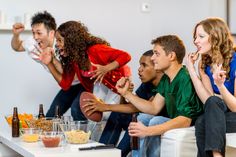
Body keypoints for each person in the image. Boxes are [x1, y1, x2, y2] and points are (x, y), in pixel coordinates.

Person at [100, 35, 203, 157]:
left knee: (157, 120)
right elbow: (154, 108)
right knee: (143, 118)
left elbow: (185, 120)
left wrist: (147, 131)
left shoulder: (185, 78)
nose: (153, 58)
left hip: (191, 124)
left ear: (171, 56)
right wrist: (125, 93)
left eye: (156, 54)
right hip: (176, 120)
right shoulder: (166, 78)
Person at [39, 20, 131, 121]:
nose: (56, 44)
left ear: (71, 41)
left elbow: (125, 56)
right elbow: (65, 84)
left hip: (117, 85)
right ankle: (81, 136)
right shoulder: (75, 59)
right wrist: (49, 63)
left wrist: (105, 69)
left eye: (60, 40)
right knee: (84, 110)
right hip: (100, 86)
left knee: (107, 117)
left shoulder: (95, 50)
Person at [84, 50, 166, 157]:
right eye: (140, 65)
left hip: (154, 120)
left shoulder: (165, 83)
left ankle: (119, 154)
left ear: (157, 67)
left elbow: (140, 109)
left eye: (144, 65)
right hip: (143, 116)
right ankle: (104, 152)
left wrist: (105, 107)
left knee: (136, 118)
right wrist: (123, 93)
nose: (139, 69)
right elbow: (131, 106)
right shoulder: (147, 84)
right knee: (117, 114)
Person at [11, 11, 82, 120]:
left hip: (84, 83)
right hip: (68, 86)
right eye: (33, 32)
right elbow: (17, 47)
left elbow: (69, 75)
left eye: (39, 33)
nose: (35, 37)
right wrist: (16, 35)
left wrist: (52, 60)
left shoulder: (63, 45)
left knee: (76, 110)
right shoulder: (33, 43)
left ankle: (81, 137)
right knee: (50, 117)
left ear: (51, 33)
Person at [186, 17, 236, 157]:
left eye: (201, 36)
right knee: (203, 118)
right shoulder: (205, 64)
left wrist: (220, 86)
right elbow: (208, 100)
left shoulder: (235, 61)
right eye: (195, 37)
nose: (196, 41)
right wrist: (191, 69)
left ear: (215, 38)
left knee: (203, 120)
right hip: (219, 112)